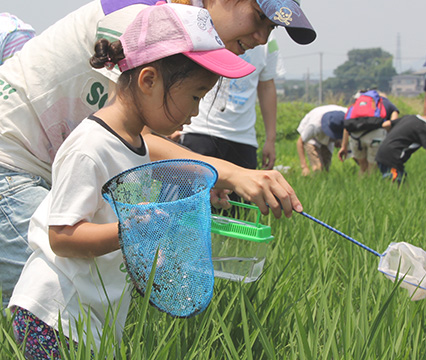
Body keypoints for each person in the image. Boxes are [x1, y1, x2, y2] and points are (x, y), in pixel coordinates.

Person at [0, 0, 315, 307]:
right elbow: (128, 136)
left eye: (271, 27)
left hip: (47, 167)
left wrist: (198, 174)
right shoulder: (144, 21)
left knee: (96, 288)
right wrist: (229, 173)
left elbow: (134, 145)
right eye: (259, 16)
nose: (262, 38)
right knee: (48, 297)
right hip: (11, 160)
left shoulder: (172, 32)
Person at [8, 4, 255, 356]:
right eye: (195, 96)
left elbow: (125, 211)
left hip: (89, 317)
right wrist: (132, 231)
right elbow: (62, 236)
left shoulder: (135, 145)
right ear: (149, 80)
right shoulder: (90, 146)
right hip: (53, 315)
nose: (195, 112)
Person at [178, 34, 285, 173]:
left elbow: (267, 86)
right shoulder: (210, 30)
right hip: (199, 130)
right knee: (192, 191)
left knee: (239, 193)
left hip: (244, 138)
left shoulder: (268, 41)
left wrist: (271, 139)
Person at [375, 102, 426, 185]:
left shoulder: (409, 117)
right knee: (394, 188)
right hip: (392, 159)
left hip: (381, 154)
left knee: (402, 187)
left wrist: (393, 138)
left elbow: (386, 124)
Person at [338, 90, 400, 175]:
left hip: (356, 137)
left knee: (362, 168)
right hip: (375, 136)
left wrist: (344, 146)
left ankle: (359, 187)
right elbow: (393, 123)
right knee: (372, 167)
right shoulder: (387, 103)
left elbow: (347, 127)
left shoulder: (357, 105)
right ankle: (371, 186)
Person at [296, 105, 347, 175]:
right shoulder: (314, 126)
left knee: (326, 168)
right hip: (312, 138)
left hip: (329, 131)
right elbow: (300, 142)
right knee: (318, 168)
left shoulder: (349, 116)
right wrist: (304, 166)